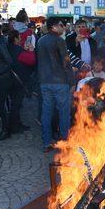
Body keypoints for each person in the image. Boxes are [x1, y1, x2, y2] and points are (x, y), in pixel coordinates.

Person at [36, 17, 72, 151]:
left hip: (45, 81)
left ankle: (46, 142)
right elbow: (66, 62)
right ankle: (64, 141)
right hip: (59, 81)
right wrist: (71, 79)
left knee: (46, 112)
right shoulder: (59, 41)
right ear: (54, 27)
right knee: (64, 112)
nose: (64, 27)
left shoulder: (40, 41)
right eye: (62, 25)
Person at [7, 29, 35, 133]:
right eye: (19, 37)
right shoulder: (17, 50)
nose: (21, 39)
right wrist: (31, 51)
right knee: (16, 104)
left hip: (11, 80)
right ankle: (14, 126)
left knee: (15, 104)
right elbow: (31, 61)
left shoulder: (9, 48)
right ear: (15, 39)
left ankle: (16, 124)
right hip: (18, 81)